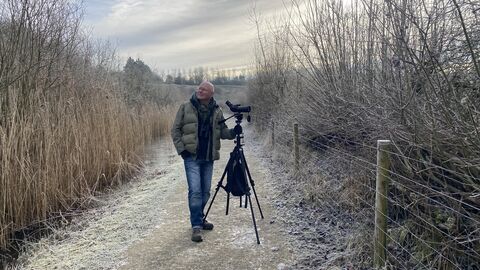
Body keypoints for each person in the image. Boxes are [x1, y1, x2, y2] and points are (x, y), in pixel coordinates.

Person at [171, 81, 238, 242]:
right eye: (199, 88)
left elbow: (222, 132)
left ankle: (199, 218)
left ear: (211, 94)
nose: (199, 90)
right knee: (195, 191)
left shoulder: (217, 110)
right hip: (191, 157)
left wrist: (234, 132)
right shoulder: (185, 107)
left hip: (208, 158)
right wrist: (182, 150)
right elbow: (175, 130)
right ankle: (196, 226)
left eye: (204, 89)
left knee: (206, 191)